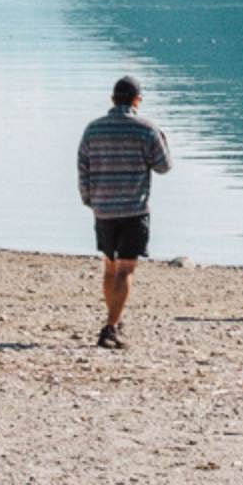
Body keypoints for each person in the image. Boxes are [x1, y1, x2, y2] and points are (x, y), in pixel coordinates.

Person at [77, 74, 172, 349]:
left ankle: (114, 320)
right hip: (133, 208)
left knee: (110, 267)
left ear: (112, 99)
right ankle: (110, 327)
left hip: (103, 208)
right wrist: (162, 139)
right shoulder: (147, 129)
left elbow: (83, 168)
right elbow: (164, 166)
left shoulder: (93, 129)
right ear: (137, 100)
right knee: (126, 268)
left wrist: (90, 200)